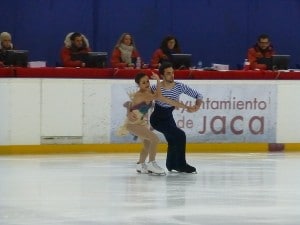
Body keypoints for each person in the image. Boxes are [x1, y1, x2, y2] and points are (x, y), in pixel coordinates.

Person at [119, 72, 194, 175]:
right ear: (139, 85)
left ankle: (140, 165)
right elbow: (158, 95)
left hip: (141, 123)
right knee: (155, 139)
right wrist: (158, 80)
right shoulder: (142, 95)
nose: (146, 84)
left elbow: (128, 103)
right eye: (143, 83)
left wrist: (186, 107)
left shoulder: (147, 92)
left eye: (147, 81)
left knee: (147, 144)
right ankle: (151, 163)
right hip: (133, 124)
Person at [150, 62, 203, 173]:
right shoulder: (156, 87)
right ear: (162, 76)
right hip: (157, 119)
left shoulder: (179, 86)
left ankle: (171, 164)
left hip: (168, 117)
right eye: (168, 73)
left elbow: (199, 95)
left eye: (173, 72)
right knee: (180, 135)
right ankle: (181, 165)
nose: (172, 75)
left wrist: (197, 105)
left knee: (173, 139)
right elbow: (147, 98)